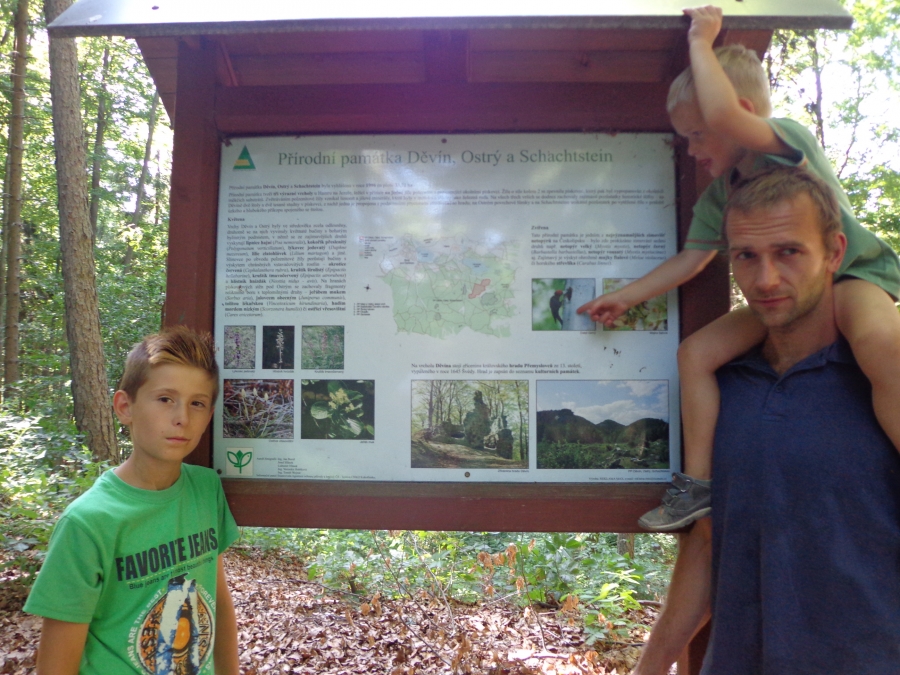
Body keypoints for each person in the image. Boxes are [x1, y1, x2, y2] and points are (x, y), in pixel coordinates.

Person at [577, 5, 900, 530]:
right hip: (785, 298)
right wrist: (627, 296)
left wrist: (701, 41)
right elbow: (692, 258)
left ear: (741, 112)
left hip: (853, 276)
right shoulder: (720, 196)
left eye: (697, 135)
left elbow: (726, 116)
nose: (691, 150)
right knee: (695, 353)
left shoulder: (785, 141)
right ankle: (697, 487)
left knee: (883, 344)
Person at [631, 165, 900, 675]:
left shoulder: (880, 377)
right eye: (746, 256)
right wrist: (650, 667)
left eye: (789, 252)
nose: (766, 279)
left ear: (835, 253)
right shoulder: (724, 387)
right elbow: (706, 542)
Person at [24, 326, 240, 675]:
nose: (182, 417)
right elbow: (55, 666)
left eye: (197, 403)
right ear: (125, 407)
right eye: (165, 399)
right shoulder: (87, 523)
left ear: (209, 416)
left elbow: (217, 598)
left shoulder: (205, 488)